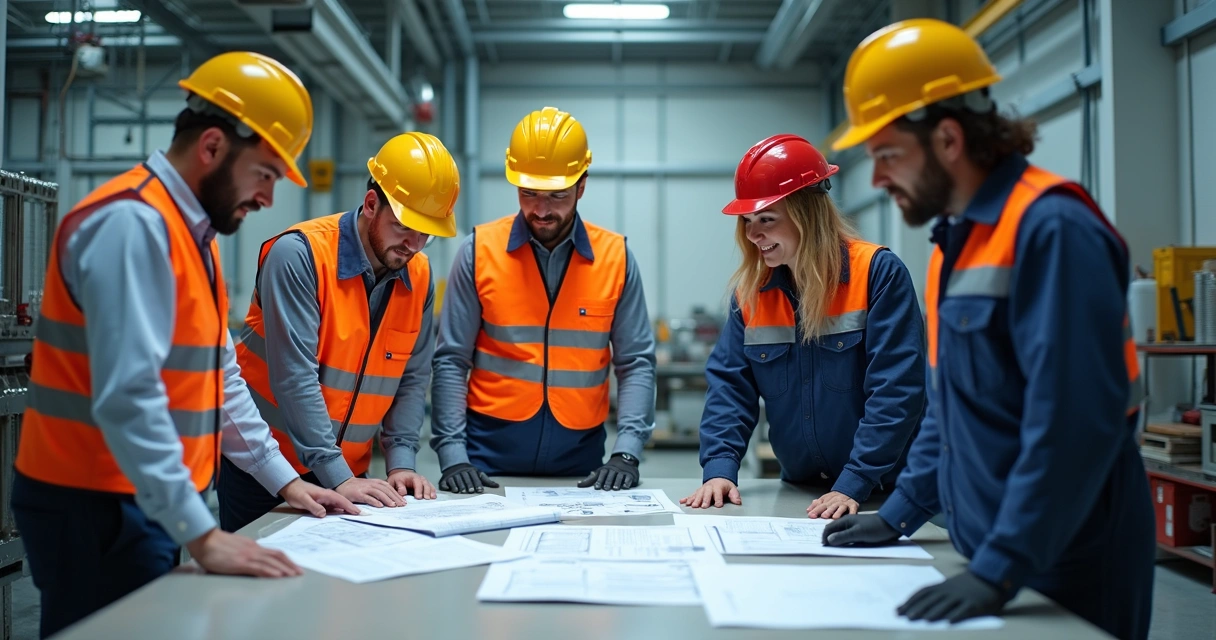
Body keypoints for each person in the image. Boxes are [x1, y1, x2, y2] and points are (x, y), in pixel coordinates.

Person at [821, 19, 1154, 639]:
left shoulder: (1052, 230)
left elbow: (1073, 426)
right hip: (996, 551)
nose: (877, 180)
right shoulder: (956, 242)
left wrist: (999, 570)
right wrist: (899, 513)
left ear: (948, 138)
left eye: (888, 155)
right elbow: (950, 409)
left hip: (1065, 559)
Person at [10, 51, 359, 638]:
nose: (269, 199)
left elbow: (220, 378)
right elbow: (130, 398)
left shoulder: (194, 236)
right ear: (214, 147)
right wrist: (201, 536)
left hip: (142, 497)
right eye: (266, 174)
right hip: (94, 504)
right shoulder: (131, 226)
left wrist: (288, 483)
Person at [219, 133, 458, 531]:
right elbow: (295, 377)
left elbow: (412, 379)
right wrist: (337, 474)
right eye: (404, 227)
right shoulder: (299, 256)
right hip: (268, 472)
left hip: (350, 476)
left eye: (426, 233)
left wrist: (400, 462)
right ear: (370, 205)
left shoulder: (419, 274)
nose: (414, 245)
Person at [680, 134, 926, 518]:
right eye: (747, 221)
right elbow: (730, 388)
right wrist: (719, 469)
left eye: (767, 219)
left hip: (881, 493)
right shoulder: (752, 293)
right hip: (801, 495)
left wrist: (855, 479)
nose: (752, 234)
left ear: (806, 214)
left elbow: (896, 391)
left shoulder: (877, 274)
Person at [431, 106, 656, 492]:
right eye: (528, 193)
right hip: (486, 465)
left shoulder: (615, 257)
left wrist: (627, 452)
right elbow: (452, 360)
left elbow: (635, 363)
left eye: (556, 196)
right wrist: (453, 455)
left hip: (582, 467)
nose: (540, 209)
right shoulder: (478, 251)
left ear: (581, 187)